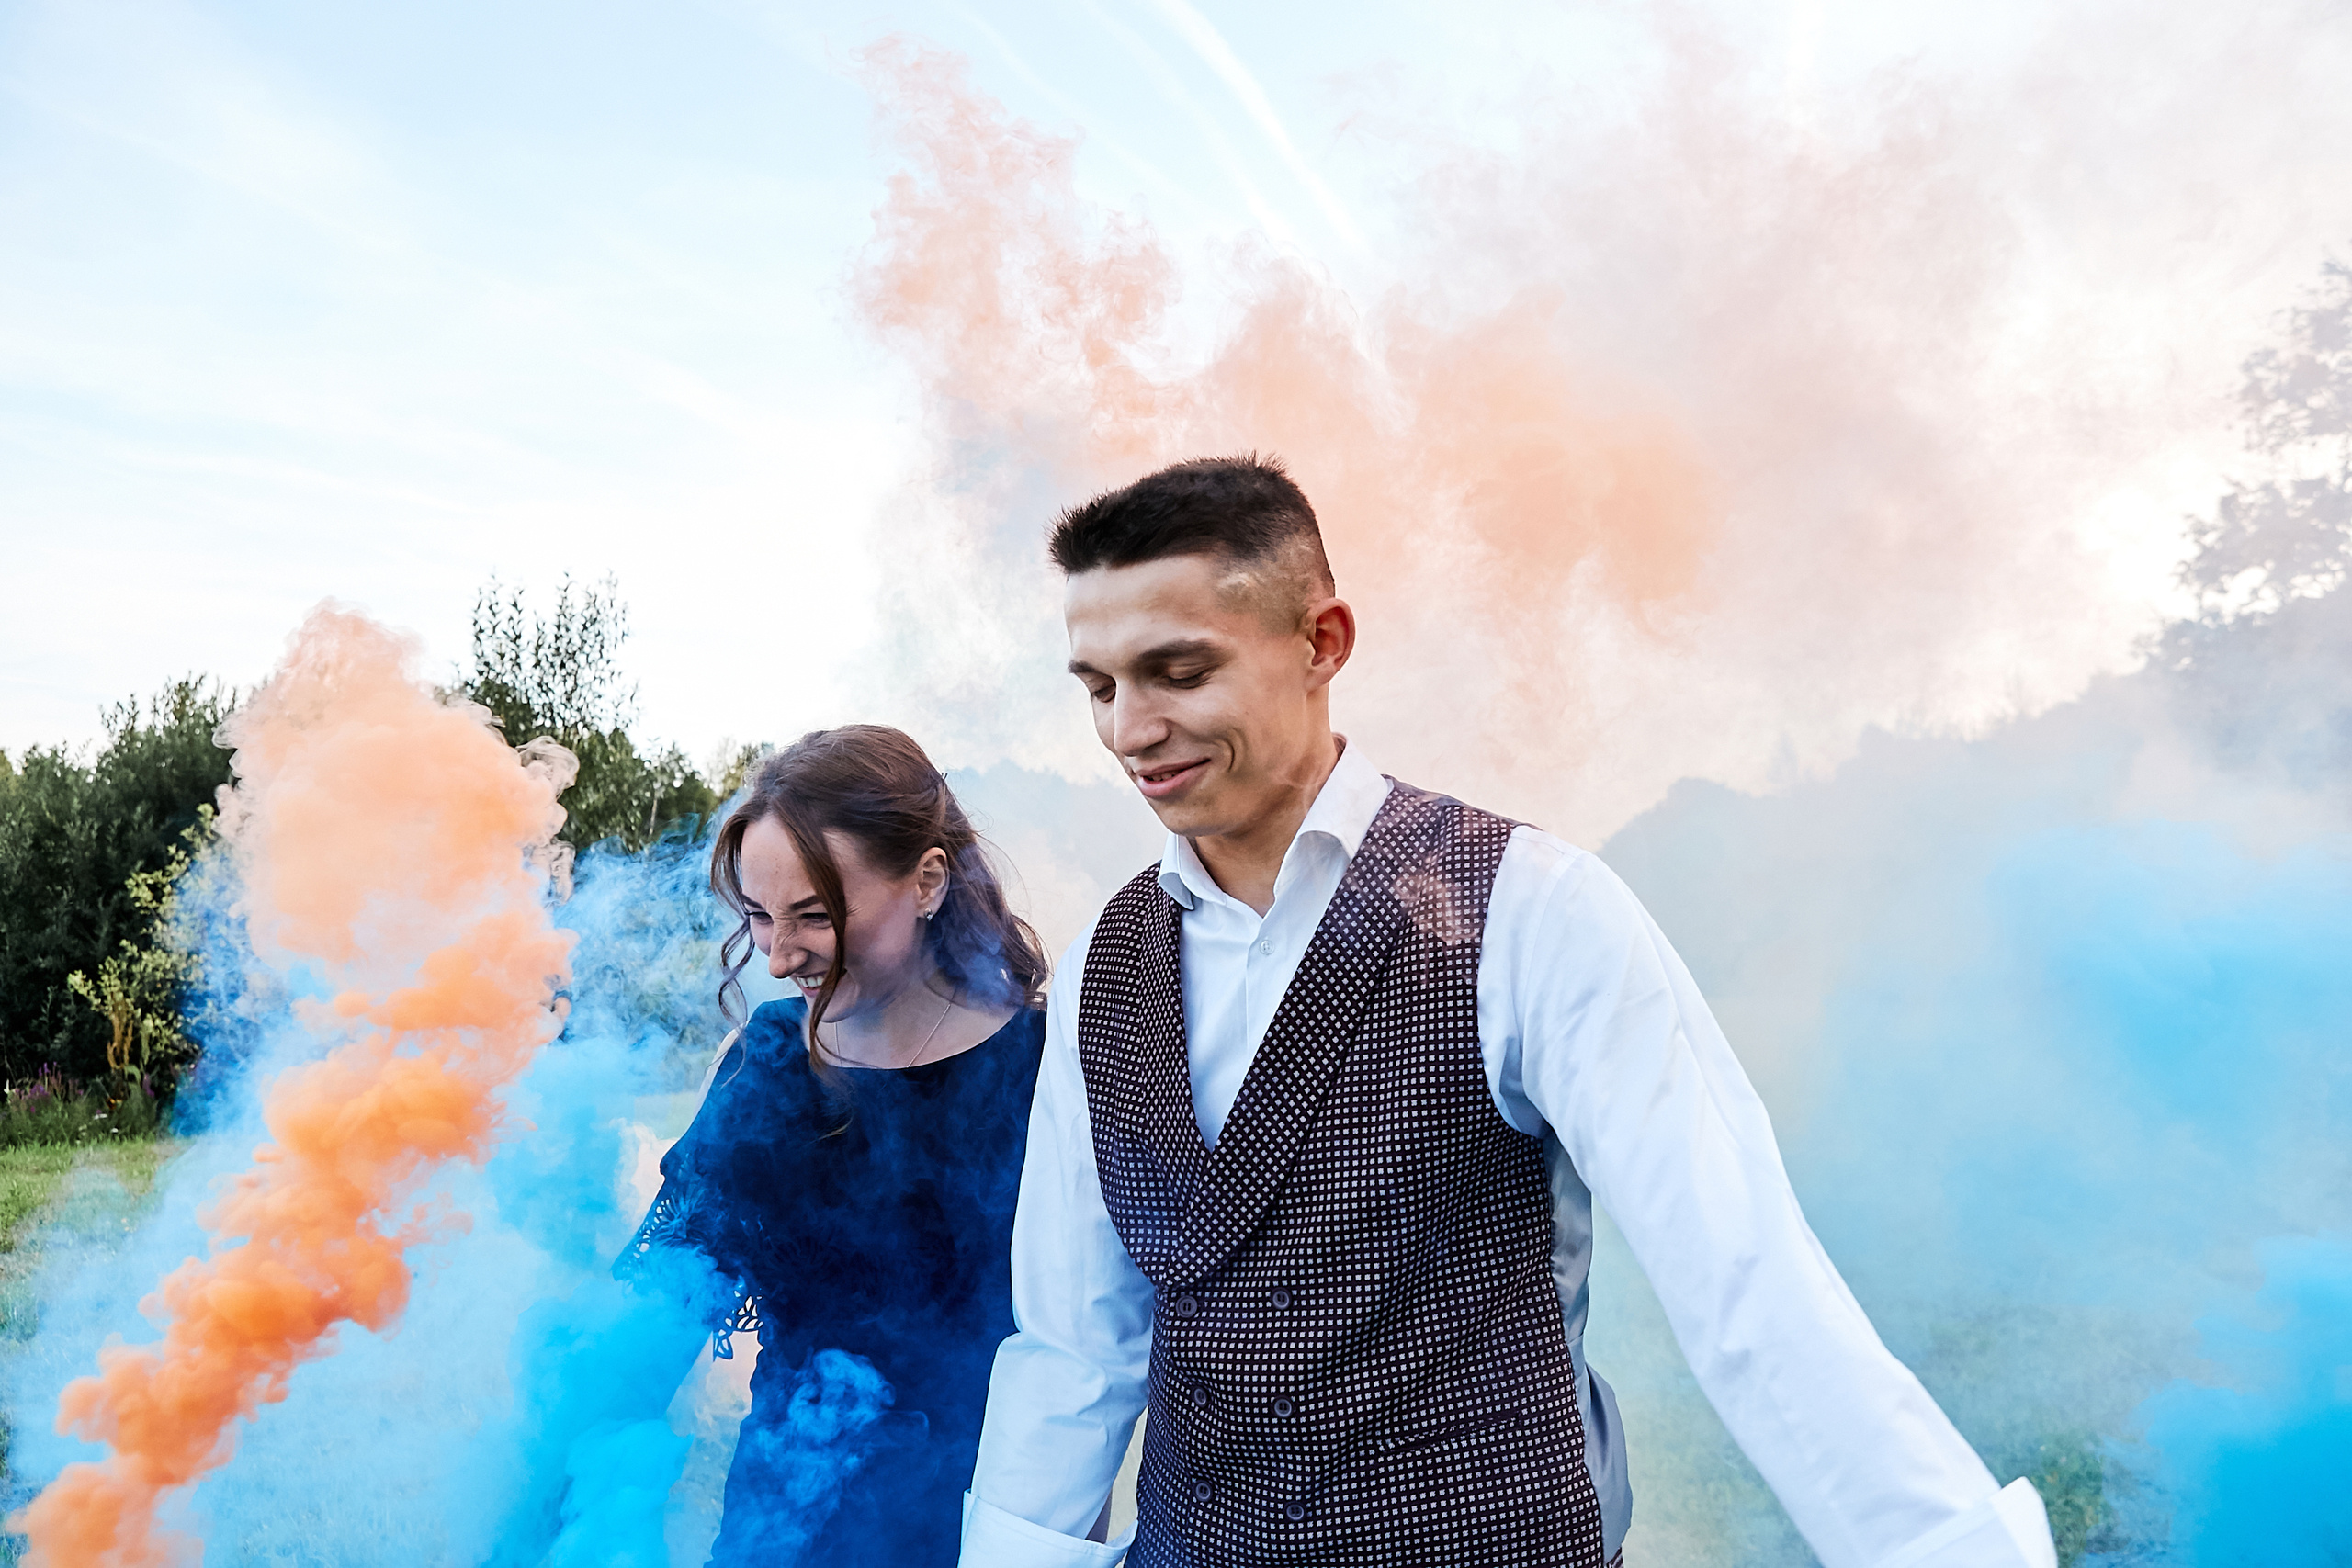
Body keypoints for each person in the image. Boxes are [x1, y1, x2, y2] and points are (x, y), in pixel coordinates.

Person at [958, 457, 2060, 1568]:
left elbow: (1745, 1284)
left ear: (1322, 642)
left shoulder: (1534, 908)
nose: (1130, 731)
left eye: (1178, 671)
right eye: (1098, 688)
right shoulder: (1108, 954)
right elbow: (1072, 1344)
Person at [621, 725, 1050, 1566]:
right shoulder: (769, 1067)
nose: (779, 958)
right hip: (782, 1530)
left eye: (815, 915)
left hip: (994, 1526)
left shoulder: (1049, 1067)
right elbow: (659, 1308)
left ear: (927, 880)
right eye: (757, 916)